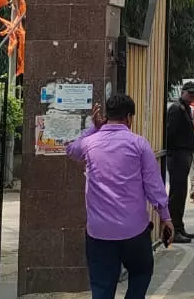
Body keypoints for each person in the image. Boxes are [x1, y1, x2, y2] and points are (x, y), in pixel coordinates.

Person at [65, 94, 174, 299]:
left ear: (107, 115)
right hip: (134, 231)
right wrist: (166, 217)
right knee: (141, 272)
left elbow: (71, 149)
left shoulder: (90, 143)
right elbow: (153, 186)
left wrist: (94, 128)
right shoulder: (139, 144)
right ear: (129, 117)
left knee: (102, 286)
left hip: (99, 232)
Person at [163, 82, 194, 241]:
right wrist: (174, 151)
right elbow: (169, 133)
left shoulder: (185, 108)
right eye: (190, 93)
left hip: (184, 155)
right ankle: (173, 231)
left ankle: (179, 227)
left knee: (181, 193)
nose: (193, 96)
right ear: (183, 92)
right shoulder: (176, 109)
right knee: (176, 195)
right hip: (177, 156)